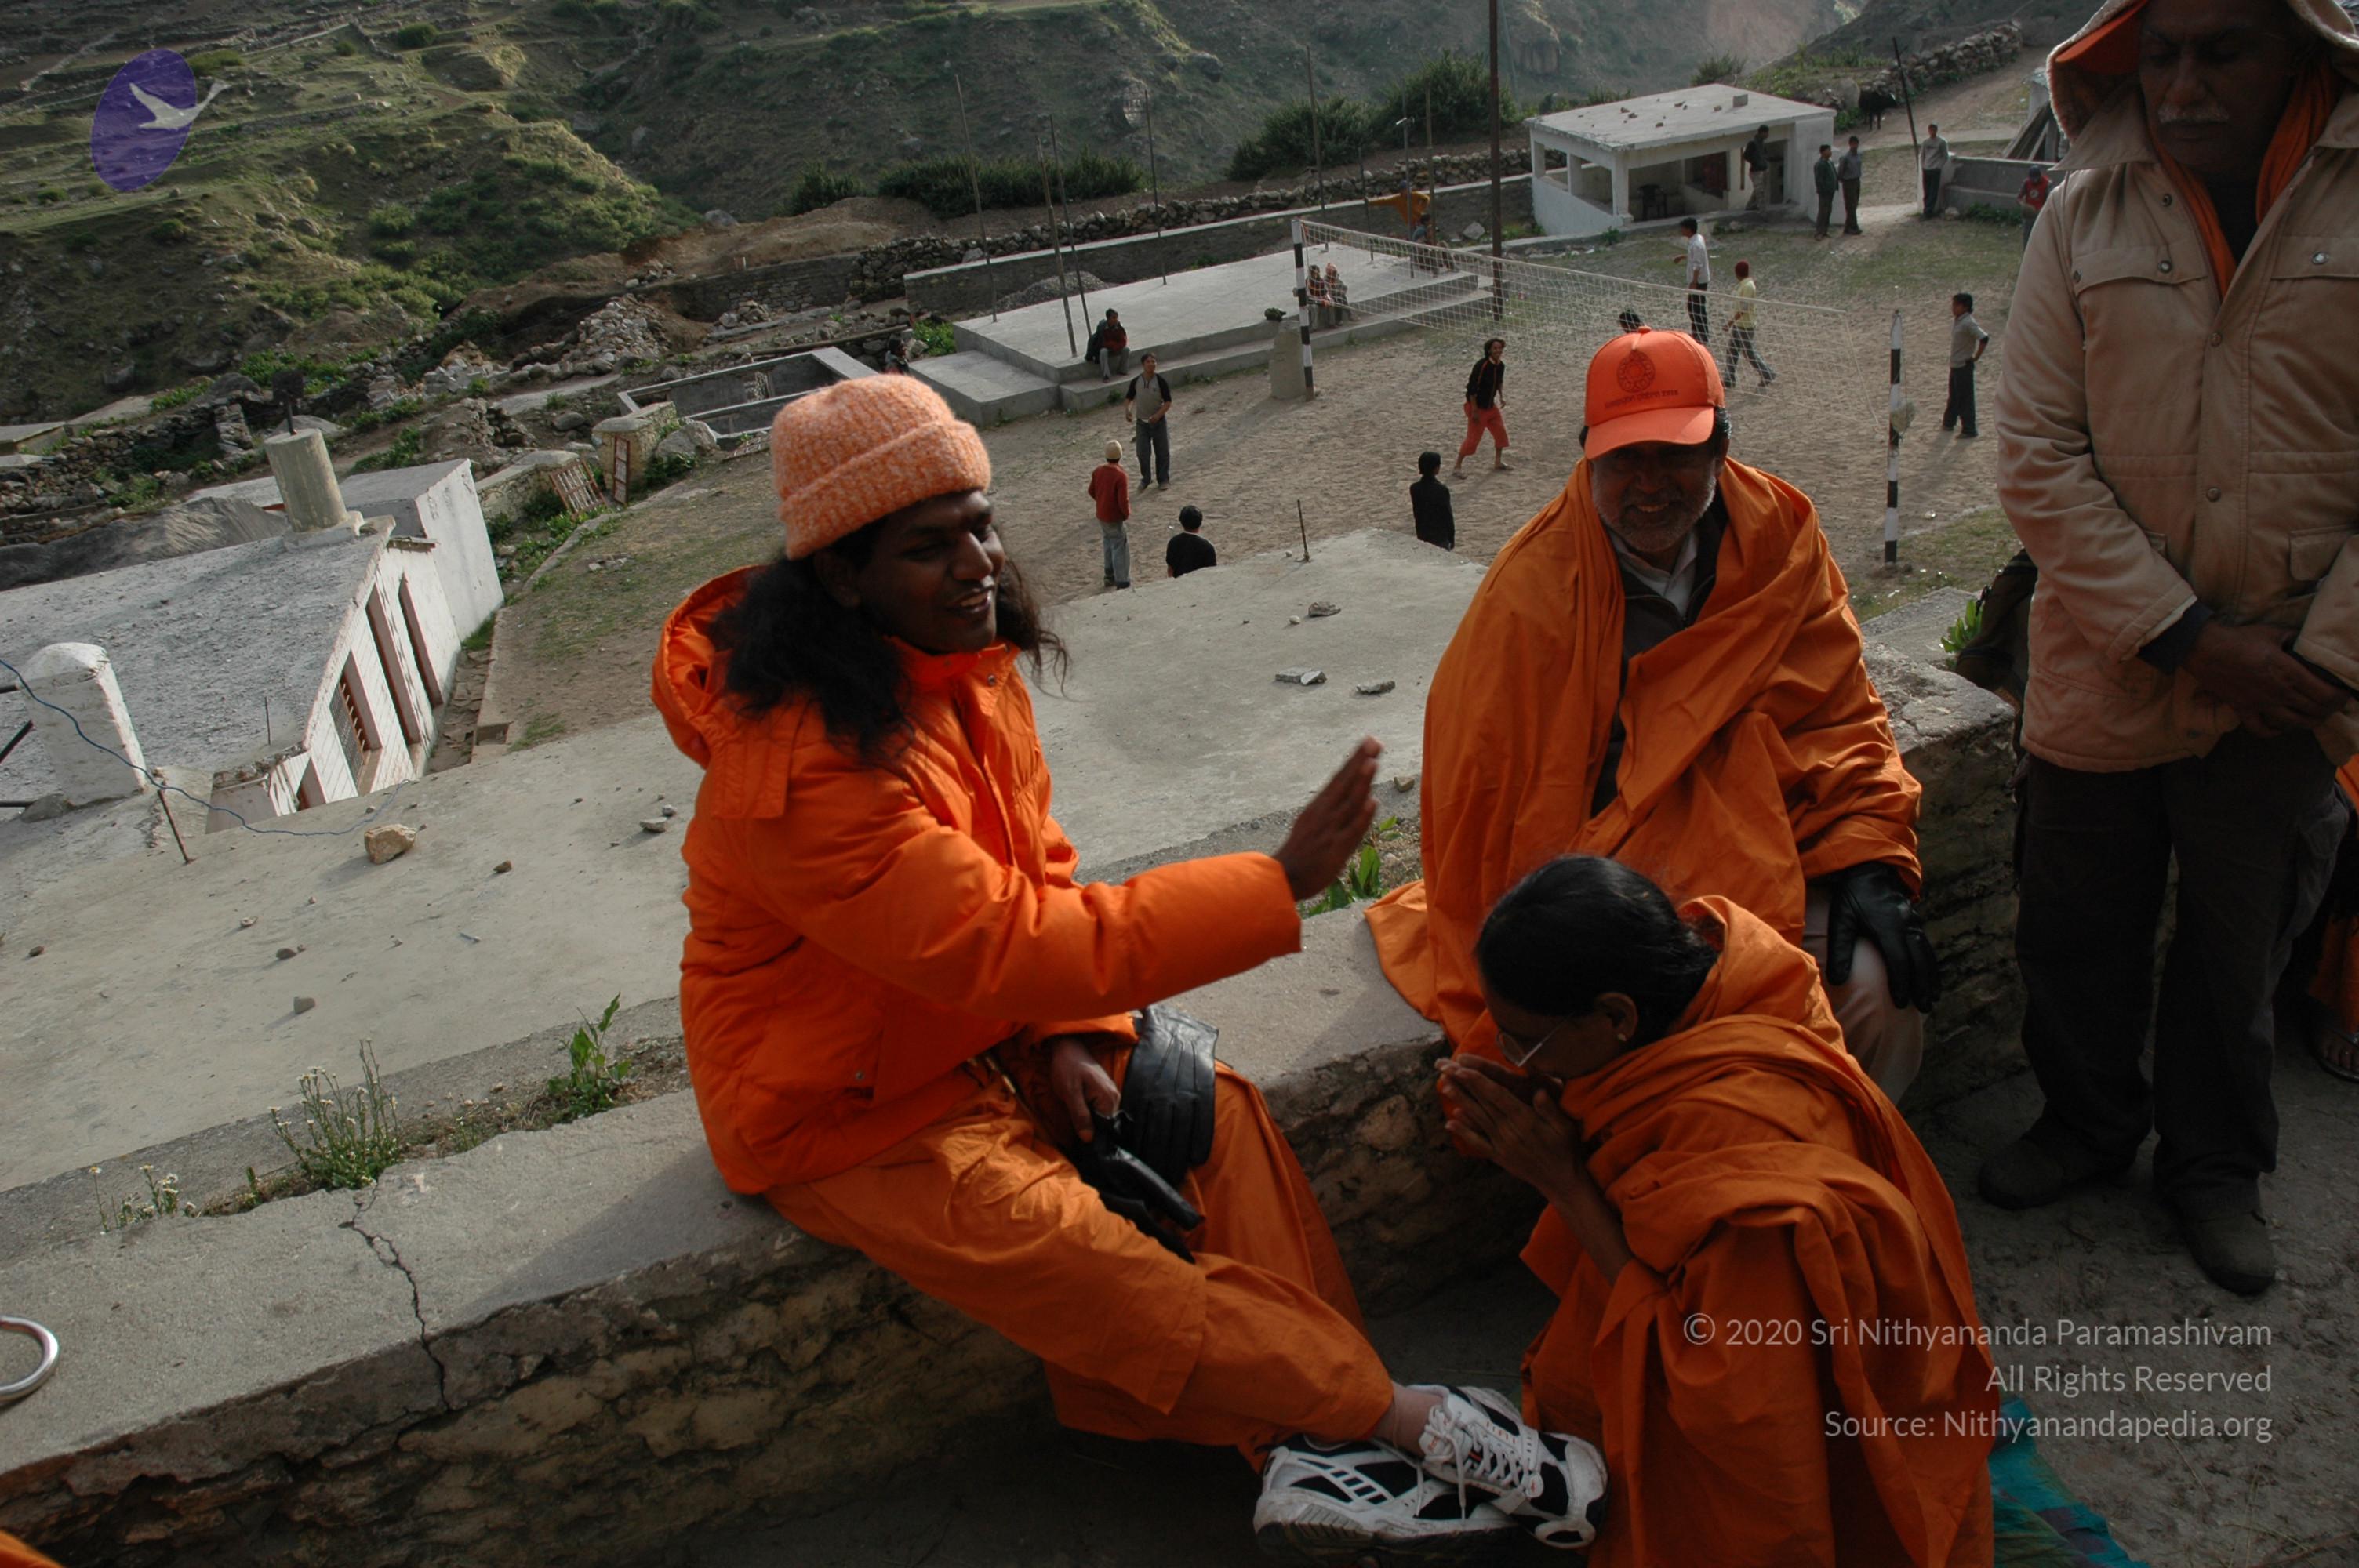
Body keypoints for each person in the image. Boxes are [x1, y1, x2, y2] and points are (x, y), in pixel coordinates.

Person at [652, 376, 1608, 1558]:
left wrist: (1068, 1032)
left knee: (1215, 1117)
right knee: (1105, 1268)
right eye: (929, 546)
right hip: (842, 1108)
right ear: (842, 577)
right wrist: (1275, 882)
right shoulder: (800, 770)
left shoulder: (959, 669)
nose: (978, 565)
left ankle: (1310, 1448)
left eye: (980, 526)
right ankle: (1406, 1424)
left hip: (986, 1028)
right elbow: (1000, 940)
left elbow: (1033, 860)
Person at [1985, 0, 2359, 1297]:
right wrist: (2190, 637)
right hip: (2110, 656)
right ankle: (2087, 1122)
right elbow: (2035, 457)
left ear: (2299, 52)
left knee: (2237, 940)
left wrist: (2325, 655)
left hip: (2293, 678)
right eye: (2162, 55)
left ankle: (2214, 1168)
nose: (2184, 85)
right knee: (2074, 918)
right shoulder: (2077, 216)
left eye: (2222, 52)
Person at [1368, 326, 1939, 1102]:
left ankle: (1841, 1162)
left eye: (1673, 455)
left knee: (1877, 990)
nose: (1648, 485)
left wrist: (1869, 856)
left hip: (1775, 845)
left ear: (1720, 448)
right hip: (1621, 886)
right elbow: (1493, 813)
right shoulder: (1529, 599)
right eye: (1624, 459)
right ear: (1588, 460)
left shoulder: (1777, 534)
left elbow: (1839, 714)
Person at [1439, 855, 1997, 1568]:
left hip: (1783, 1425)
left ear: (1618, 1016)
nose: (1516, 1059)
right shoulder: (1751, 983)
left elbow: (1727, 1396)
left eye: (1527, 1042)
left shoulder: (1749, 1195)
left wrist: (1566, 1184)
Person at [1454, 337, 1510, 475]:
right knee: (1472, 440)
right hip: (1478, 408)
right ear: (1489, 350)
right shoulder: (1482, 365)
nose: (1498, 351)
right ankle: (1457, 467)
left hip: (1491, 407)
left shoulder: (1501, 366)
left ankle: (1498, 462)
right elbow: (1472, 388)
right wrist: (1474, 409)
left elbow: (1499, 382)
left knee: (1501, 434)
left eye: (1500, 348)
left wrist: (1501, 396)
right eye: (1495, 348)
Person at [1722, 260, 1776, 389]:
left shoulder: (1748, 287)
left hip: (1745, 326)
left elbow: (1744, 308)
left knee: (1749, 353)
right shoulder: (1746, 285)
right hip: (1740, 324)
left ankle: (1767, 373)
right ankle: (1729, 378)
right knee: (1732, 350)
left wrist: (1730, 323)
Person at [1086, 438, 1132, 590]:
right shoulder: (1120, 475)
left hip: (1101, 515)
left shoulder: (1098, 471)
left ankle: (1109, 575)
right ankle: (1122, 580)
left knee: (1107, 542)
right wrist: (1126, 513)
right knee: (1119, 546)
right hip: (1114, 517)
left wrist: (1101, 502)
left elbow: (1091, 491)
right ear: (1120, 455)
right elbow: (1123, 500)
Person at [1123, 353, 1173, 489]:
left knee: (1162, 452)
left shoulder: (1161, 381)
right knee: (1142, 453)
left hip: (1159, 423)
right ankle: (1146, 479)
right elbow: (1129, 399)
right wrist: (1128, 410)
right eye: (1148, 361)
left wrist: (1158, 415)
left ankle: (1163, 479)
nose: (1151, 364)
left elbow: (1168, 402)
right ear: (1143, 364)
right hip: (1142, 423)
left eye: (1153, 361)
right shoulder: (1136, 382)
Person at [1943, 292, 1988, 438]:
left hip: (1964, 365)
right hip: (1956, 365)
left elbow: (1984, 338)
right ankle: (1949, 423)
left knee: (1965, 399)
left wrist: (1976, 357)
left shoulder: (1968, 322)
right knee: (1954, 397)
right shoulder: (1959, 320)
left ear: (1964, 307)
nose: (1953, 308)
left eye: (1956, 305)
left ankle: (1969, 429)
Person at [1409, 450, 1455, 550]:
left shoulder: (1414, 488)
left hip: (1423, 533)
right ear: (1436, 469)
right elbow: (1448, 516)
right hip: (1440, 535)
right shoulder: (1441, 489)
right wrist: (1452, 538)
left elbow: (1417, 512)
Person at [1676, 218, 1710, 342]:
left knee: (1696, 308)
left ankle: (1701, 334)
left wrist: (1694, 282)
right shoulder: (1697, 239)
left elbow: (1697, 265)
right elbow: (1696, 257)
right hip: (1699, 280)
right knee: (1695, 307)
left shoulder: (1696, 244)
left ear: (1689, 229)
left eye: (1683, 228)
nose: (1681, 230)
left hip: (1699, 281)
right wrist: (1683, 256)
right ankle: (1698, 332)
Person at [1166, 503, 1216, 578]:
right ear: (1200, 522)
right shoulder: (1207, 547)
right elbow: (1211, 574)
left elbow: (1170, 570)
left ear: (1181, 521)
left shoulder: (1173, 542)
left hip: (1179, 582)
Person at [1919, 122, 1952, 217]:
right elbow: (1922, 155)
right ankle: (1926, 209)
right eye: (1930, 130)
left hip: (1935, 169)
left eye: (1934, 130)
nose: (1932, 132)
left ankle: (1928, 211)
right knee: (1927, 191)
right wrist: (1923, 166)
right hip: (1927, 169)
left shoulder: (1941, 142)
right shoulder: (1926, 142)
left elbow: (1945, 156)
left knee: (1933, 191)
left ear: (1936, 130)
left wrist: (1939, 166)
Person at [1740, 125, 1772, 212]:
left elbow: (1765, 154)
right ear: (1762, 133)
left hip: (1763, 170)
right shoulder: (1753, 143)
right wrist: (1755, 162)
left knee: (1759, 190)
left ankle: (1750, 205)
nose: (1768, 135)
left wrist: (1765, 162)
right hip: (1756, 171)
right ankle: (1762, 211)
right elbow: (1746, 156)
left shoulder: (1762, 144)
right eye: (1766, 133)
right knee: (1760, 191)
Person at [1837, 135, 1865, 234]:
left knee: (1855, 204)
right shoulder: (1846, 158)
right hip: (1849, 182)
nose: (1855, 146)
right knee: (1850, 205)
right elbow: (1841, 171)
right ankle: (1854, 227)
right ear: (1850, 144)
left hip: (1857, 181)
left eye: (1856, 144)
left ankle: (1848, 227)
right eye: (1853, 144)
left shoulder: (1859, 155)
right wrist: (1843, 180)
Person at [1091, 308, 1129, 382]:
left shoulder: (1119, 327)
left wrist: (1116, 347)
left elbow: (1123, 341)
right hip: (1107, 348)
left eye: (1116, 318)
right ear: (1108, 319)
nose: (1116, 320)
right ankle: (1106, 375)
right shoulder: (1102, 328)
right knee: (1103, 352)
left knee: (1126, 350)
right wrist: (1112, 345)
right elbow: (1102, 343)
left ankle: (1123, 370)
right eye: (1113, 318)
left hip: (1116, 348)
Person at [1811, 142, 1838, 238]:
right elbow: (1819, 180)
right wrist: (1822, 190)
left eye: (1830, 150)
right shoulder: (1820, 164)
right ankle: (1819, 232)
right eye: (1828, 150)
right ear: (1822, 152)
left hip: (1831, 191)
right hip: (1824, 193)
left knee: (1828, 212)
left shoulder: (1830, 162)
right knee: (1823, 212)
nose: (1830, 152)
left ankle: (1825, 231)